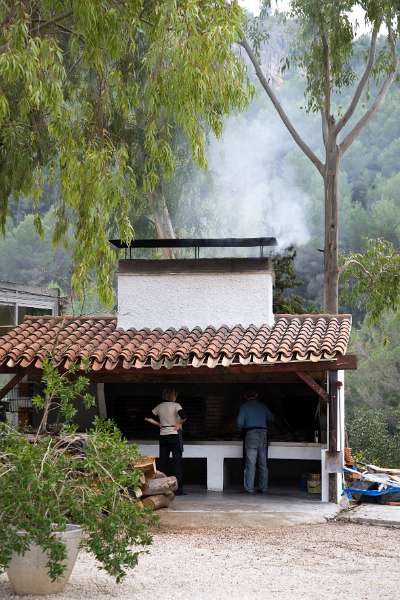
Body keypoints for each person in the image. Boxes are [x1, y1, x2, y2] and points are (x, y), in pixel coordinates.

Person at [145, 387, 186, 495]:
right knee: (177, 462)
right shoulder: (176, 405)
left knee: (163, 462)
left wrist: (158, 424)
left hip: (163, 436)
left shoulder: (159, 406)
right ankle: (179, 489)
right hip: (174, 435)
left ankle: (160, 489)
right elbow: (184, 416)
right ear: (173, 396)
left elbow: (147, 417)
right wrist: (179, 424)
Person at [237, 390, 273, 494]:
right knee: (263, 463)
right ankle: (264, 488)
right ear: (256, 395)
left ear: (245, 396)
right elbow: (271, 418)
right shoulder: (263, 406)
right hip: (263, 434)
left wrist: (239, 431)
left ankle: (249, 488)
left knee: (251, 463)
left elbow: (239, 423)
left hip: (251, 434)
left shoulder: (244, 407)